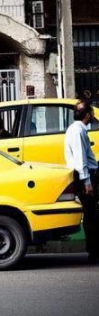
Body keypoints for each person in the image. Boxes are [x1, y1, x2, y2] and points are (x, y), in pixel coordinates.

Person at [64, 99, 99, 264]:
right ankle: (93, 252)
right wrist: (87, 182)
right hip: (86, 176)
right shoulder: (78, 131)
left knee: (92, 213)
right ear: (88, 115)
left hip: (87, 174)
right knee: (91, 215)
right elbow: (80, 158)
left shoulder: (75, 129)